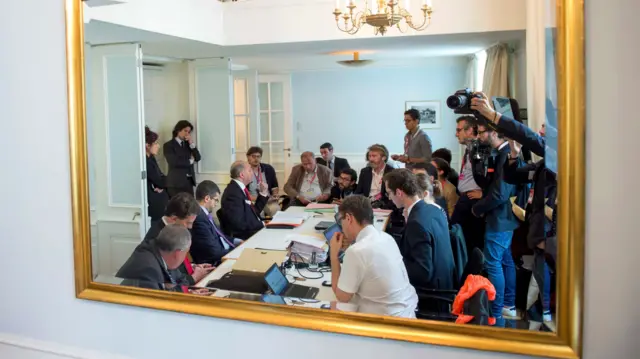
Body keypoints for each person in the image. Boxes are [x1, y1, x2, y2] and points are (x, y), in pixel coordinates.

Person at [329, 195, 418, 318]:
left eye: (341, 221)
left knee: (332, 308)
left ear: (349, 219)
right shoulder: (387, 238)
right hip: (407, 314)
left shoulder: (356, 252)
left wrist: (333, 256)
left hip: (384, 324)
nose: (342, 227)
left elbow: (342, 296)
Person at [472, 122, 520, 323]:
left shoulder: (504, 155)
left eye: (481, 132)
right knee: (506, 262)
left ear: (494, 132)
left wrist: (478, 208)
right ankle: (508, 304)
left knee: (493, 264)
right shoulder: (501, 153)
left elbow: (499, 193)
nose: (479, 137)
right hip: (506, 218)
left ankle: (497, 311)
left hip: (499, 218)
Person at [384, 169, 455, 290]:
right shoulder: (433, 209)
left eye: (389, 193)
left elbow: (422, 273)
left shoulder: (416, 223)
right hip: (444, 280)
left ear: (399, 193)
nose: (389, 198)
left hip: (431, 293)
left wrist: (391, 263)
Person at [143, 192, 213, 285]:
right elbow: (167, 281)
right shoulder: (156, 238)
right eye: (188, 223)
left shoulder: (173, 230)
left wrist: (193, 267)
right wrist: (193, 278)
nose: (190, 227)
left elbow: (174, 264)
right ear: (174, 219)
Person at [116, 224, 192, 291]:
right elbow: (156, 303)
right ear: (177, 253)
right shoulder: (149, 270)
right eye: (186, 252)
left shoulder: (164, 255)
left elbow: (182, 280)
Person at [451, 116, 486, 253]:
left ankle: (473, 272)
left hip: (473, 200)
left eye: (459, 130)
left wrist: (485, 193)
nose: (456, 134)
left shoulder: (480, 150)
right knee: (460, 238)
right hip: (466, 198)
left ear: (470, 130)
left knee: (469, 242)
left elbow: (489, 176)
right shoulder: (470, 149)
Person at [191, 180, 242, 265]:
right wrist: (236, 252)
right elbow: (213, 252)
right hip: (216, 262)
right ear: (207, 198)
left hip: (223, 253)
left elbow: (220, 236)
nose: (216, 204)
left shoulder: (204, 214)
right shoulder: (199, 219)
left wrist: (237, 241)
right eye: (216, 200)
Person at [220, 161, 270, 240]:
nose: (252, 173)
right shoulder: (233, 193)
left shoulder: (239, 189)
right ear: (242, 175)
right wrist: (262, 224)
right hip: (246, 236)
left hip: (253, 230)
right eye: (249, 170)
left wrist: (263, 193)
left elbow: (254, 212)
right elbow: (239, 224)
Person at [163, 120, 201, 197]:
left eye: (189, 132)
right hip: (175, 184)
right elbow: (173, 162)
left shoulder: (188, 144)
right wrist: (190, 161)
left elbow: (198, 157)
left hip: (188, 183)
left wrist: (191, 143)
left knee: (190, 207)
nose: (187, 134)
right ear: (178, 130)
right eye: (185, 131)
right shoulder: (168, 145)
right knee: (176, 207)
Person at [355, 144, 394, 208]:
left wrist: (382, 207)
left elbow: (393, 196)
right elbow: (358, 192)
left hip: (384, 206)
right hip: (366, 205)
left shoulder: (392, 172)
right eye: (369, 156)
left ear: (384, 157)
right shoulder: (365, 172)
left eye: (374, 156)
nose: (371, 159)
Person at [145, 126, 169, 223]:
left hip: (159, 202)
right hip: (153, 205)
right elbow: (160, 181)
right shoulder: (145, 162)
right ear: (147, 145)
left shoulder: (151, 158)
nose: (158, 146)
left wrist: (160, 184)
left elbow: (161, 177)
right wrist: (160, 184)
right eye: (155, 143)